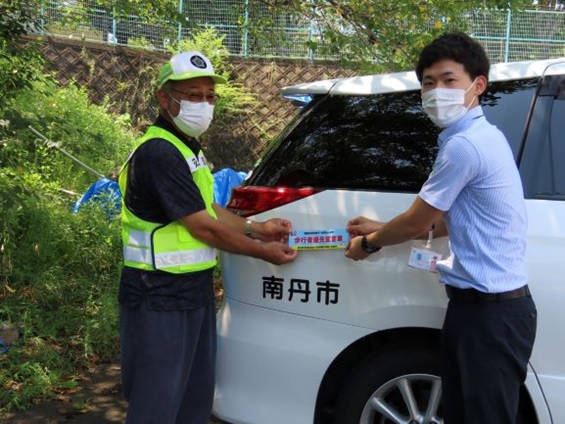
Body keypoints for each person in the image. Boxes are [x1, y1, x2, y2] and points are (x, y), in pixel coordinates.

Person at [344, 32, 537, 424]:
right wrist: (383, 225)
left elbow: (418, 219)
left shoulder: (464, 146)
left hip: (489, 316)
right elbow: (451, 219)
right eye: (428, 83)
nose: (437, 91)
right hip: (484, 313)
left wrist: (369, 243)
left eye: (449, 80)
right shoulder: (484, 137)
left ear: (477, 85)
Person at [117, 51, 298, 424]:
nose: (203, 104)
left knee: (193, 396)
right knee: (157, 401)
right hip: (158, 294)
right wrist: (262, 251)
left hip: (191, 289)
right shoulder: (158, 152)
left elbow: (208, 209)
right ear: (165, 99)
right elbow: (202, 226)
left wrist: (255, 227)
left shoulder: (187, 148)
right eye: (192, 95)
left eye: (209, 96)